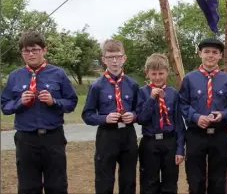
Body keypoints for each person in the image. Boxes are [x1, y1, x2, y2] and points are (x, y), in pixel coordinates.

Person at [1, 30, 78, 194]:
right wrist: (19, 102)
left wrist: (53, 102)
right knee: (28, 187)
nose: (30, 54)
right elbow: (5, 106)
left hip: (53, 138)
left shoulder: (58, 74)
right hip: (26, 139)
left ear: (44, 50)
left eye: (34, 50)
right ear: (21, 53)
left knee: (57, 186)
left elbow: (71, 102)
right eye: (26, 51)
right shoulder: (15, 76)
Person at [179, 38, 227, 194]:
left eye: (214, 52)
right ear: (200, 54)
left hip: (219, 134)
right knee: (195, 178)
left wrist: (223, 114)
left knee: (218, 179)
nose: (210, 56)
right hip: (195, 134)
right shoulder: (189, 79)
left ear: (220, 55)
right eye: (206, 52)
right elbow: (183, 104)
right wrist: (196, 117)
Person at [81, 39, 139, 194]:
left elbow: (140, 111)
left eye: (118, 56)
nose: (115, 61)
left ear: (124, 58)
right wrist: (104, 118)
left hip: (128, 134)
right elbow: (87, 115)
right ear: (103, 60)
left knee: (128, 179)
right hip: (107, 135)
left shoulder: (132, 85)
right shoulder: (96, 86)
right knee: (104, 179)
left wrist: (132, 116)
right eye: (110, 57)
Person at [136, 53, 185, 194]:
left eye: (161, 73)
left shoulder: (173, 94)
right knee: (149, 183)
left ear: (167, 72)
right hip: (149, 142)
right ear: (147, 74)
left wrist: (180, 149)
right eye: (154, 74)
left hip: (169, 142)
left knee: (170, 183)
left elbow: (179, 124)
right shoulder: (142, 93)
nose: (157, 77)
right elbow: (141, 119)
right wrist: (151, 99)